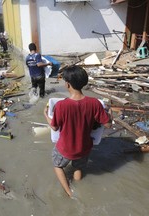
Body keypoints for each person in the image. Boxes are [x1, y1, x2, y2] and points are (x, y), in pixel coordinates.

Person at [43, 65, 112, 198]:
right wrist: (110, 113)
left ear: (67, 84)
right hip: (84, 148)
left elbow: (54, 127)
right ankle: (79, 186)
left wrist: (45, 114)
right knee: (78, 167)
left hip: (65, 149)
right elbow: (108, 124)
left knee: (57, 166)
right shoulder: (95, 103)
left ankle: (69, 192)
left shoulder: (61, 106)